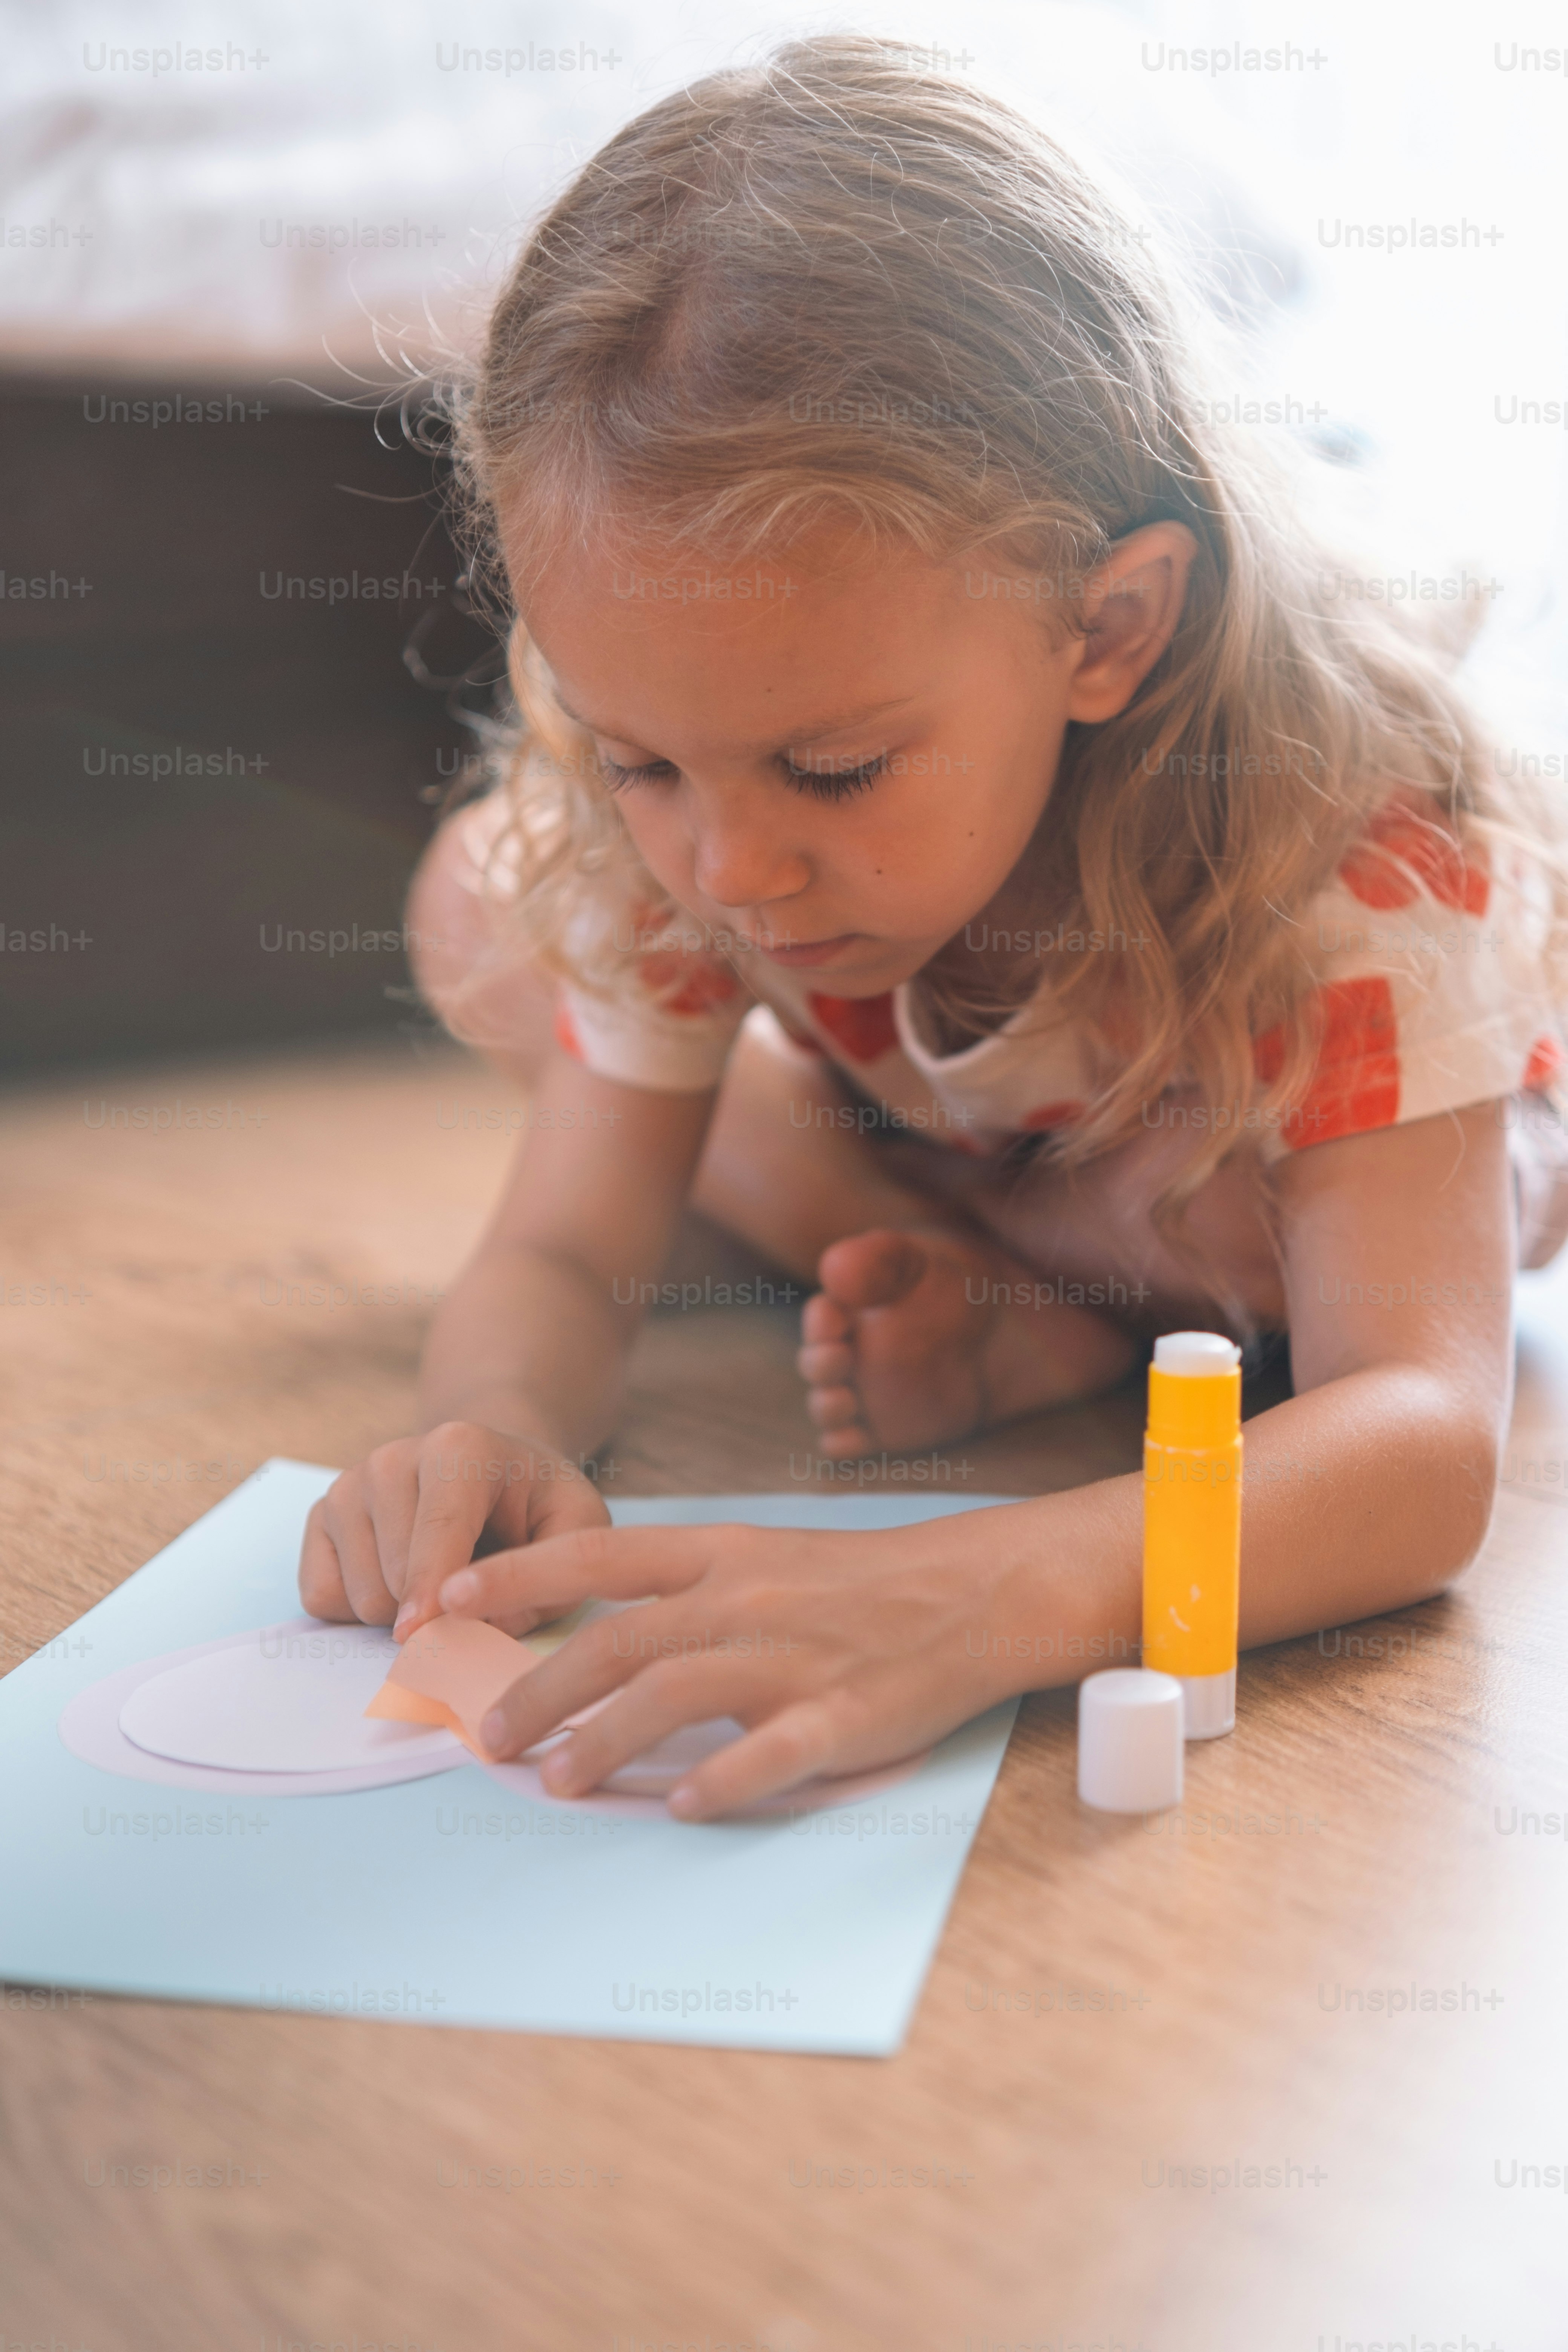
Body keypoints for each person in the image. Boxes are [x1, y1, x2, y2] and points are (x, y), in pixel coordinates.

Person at [298, 36, 1568, 1818]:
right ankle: (1013, 1288)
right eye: (640, 754)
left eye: (830, 769)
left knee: (1242, 1225)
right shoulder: (718, 823)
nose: (730, 869)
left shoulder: (1349, 863)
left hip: (1249, 1159)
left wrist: (980, 1587)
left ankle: (1071, 1292)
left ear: (1104, 631)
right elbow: (571, 1252)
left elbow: (1416, 1446)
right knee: (494, 903)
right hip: (979, 1129)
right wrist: (489, 1429)